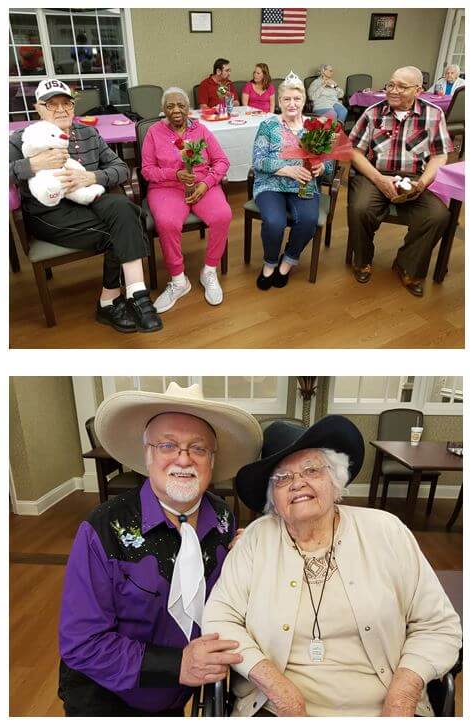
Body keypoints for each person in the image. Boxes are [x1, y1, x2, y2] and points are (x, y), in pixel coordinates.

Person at [203, 416, 462, 716]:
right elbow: (219, 620)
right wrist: (279, 689)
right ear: (272, 496)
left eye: (311, 470)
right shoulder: (255, 542)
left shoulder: (386, 531)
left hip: (389, 706)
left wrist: (404, 693)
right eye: (282, 478)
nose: (298, 482)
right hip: (276, 707)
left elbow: (439, 625)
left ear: (336, 478)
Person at [57, 383, 263, 715]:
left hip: (181, 696)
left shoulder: (223, 518)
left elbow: (226, 601)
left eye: (198, 448)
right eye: (168, 445)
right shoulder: (103, 526)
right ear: (147, 455)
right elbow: (82, 643)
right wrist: (176, 664)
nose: (184, 458)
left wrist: (247, 563)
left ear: (212, 460)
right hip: (107, 697)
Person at [9, 78, 162, 333]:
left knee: (124, 208)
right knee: (124, 229)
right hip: (49, 212)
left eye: (66, 104)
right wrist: (34, 165)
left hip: (89, 199)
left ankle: (127, 297)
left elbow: (121, 169)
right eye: (51, 104)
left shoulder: (87, 133)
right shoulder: (22, 139)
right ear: (38, 108)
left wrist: (91, 177)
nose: (61, 110)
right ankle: (112, 301)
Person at [347, 66, 452, 296]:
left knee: (438, 216)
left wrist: (422, 184)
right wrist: (378, 178)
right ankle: (362, 260)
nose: (393, 91)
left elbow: (440, 155)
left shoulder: (434, 114)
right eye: (391, 85)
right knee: (360, 207)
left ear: (418, 90)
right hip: (376, 173)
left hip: (415, 177)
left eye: (402, 87)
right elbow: (354, 151)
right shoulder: (373, 112)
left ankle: (407, 265)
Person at [141, 87, 231, 312]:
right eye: (170, 106)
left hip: (202, 185)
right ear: (163, 110)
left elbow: (221, 161)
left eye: (181, 105)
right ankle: (179, 280)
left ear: (188, 108)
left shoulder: (201, 130)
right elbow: (147, 170)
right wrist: (174, 174)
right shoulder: (154, 132)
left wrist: (206, 183)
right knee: (167, 223)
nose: (176, 110)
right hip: (167, 187)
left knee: (223, 215)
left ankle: (209, 271)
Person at [250, 73, 327, 290]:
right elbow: (258, 161)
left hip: (303, 186)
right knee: (274, 222)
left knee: (309, 220)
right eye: (286, 99)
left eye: (296, 99)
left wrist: (322, 167)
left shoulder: (315, 127)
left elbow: (329, 163)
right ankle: (270, 262)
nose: (292, 104)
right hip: (270, 184)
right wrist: (287, 170)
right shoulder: (268, 126)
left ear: (304, 101)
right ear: (280, 101)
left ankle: (288, 261)